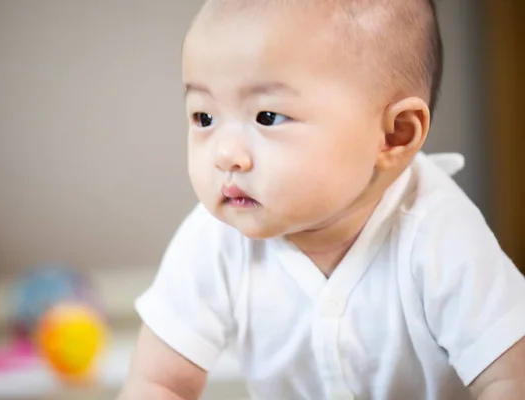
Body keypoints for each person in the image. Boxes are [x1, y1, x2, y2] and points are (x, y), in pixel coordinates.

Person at [119, 0, 525, 398]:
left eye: (268, 117)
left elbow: (511, 380)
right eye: (204, 117)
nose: (225, 154)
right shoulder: (215, 239)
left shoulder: (440, 234)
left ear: (394, 135)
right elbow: (159, 383)